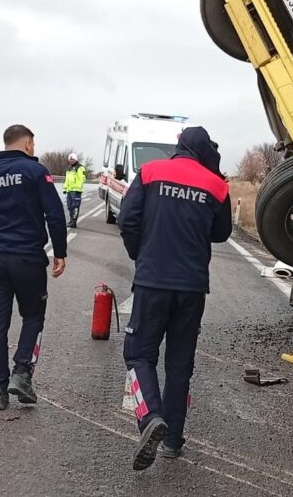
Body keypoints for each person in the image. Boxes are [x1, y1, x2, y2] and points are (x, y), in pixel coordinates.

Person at [118, 126, 232, 470]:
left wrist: (141, 254)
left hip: (153, 282)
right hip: (193, 288)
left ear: (178, 147)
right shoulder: (217, 185)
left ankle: (150, 416)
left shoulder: (151, 171)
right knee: (180, 364)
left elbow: (127, 219)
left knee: (138, 354)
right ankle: (172, 440)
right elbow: (222, 233)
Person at [0, 124, 68, 411]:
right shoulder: (36, 172)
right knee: (33, 316)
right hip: (27, 258)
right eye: (33, 144)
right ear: (27, 143)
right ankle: (22, 372)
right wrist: (60, 252)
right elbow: (54, 213)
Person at [62, 153, 86, 228]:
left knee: (75, 206)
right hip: (69, 190)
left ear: (76, 159)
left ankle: (74, 222)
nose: (71, 161)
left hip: (76, 191)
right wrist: (65, 188)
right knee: (69, 206)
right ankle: (71, 220)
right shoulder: (68, 168)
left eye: (72, 159)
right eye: (70, 159)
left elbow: (82, 179)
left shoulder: (80, 168)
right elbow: (67, 180)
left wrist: (79, 188)